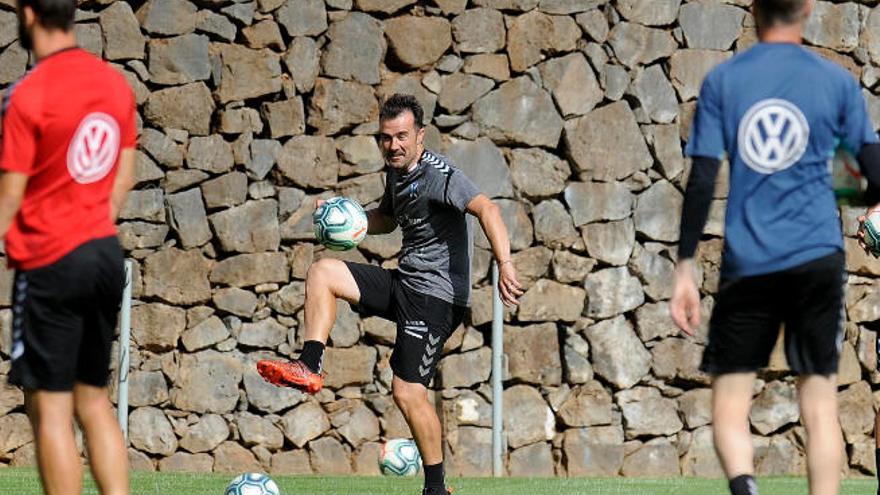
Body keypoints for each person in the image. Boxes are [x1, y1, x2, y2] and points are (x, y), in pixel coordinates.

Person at [258, 94, 522, 495]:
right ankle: (309, 365)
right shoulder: (396, 173)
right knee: (322, 272)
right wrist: (346, 218)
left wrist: (505, 263)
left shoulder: (441, 175)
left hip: (437, 298)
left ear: (421, 135)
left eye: (402, 136)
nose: (393, 145)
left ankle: (437, 489)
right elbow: (385, 219)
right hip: (405, 282)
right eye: (385, 138)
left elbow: (488, 209)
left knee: (407, 391)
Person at [669, 1, 880, 494]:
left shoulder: (725, 81)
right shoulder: (837, 83)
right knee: (820, 404)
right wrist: (851, 192)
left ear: (754, 8)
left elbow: (701, 179)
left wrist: (684, 267)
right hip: (818, 257)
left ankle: (746, 488)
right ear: (807, 9)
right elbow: (874, 176)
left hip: (751, 262)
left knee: (729, 402)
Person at [1, 1, 137, 493]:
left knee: (49, 405)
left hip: (51, 260)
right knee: (92, 399)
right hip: (103, 251)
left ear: (31, 13)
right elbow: (123, 173)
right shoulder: (111, 83)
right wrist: (93, 220)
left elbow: (11, 194)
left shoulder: (27, 93)